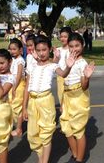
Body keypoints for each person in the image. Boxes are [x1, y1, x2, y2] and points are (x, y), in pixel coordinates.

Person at [22, 35, 75, 163]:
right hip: (32, 103)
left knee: (46, 133)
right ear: (34, 50)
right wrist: (24, 107)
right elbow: (27, 88)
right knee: (33, 135)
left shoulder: (52, 65)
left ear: (50, 49)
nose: (41, 53)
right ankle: (41, 158)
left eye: (44, 50)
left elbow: (63, 74)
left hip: (46, 101)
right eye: (38, 50)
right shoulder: (32, 66)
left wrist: (68, 67)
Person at [60, 33, 95, 163]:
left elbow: (84, 87)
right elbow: (65, 81)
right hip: (68, 97)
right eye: (71, 46)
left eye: (77, 46)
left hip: (79, 97)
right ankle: (75, 154)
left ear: (82, 46)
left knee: (78, 130)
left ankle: (79, 159)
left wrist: (87, 77)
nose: (74, 49)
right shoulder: (68, 60)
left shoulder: (82, 63)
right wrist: (63, 101)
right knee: (66, 128)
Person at [8, 38, 26, 137]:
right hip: (12, 84)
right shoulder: (13, 60)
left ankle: (19, 128)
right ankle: (13, 126)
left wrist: (14, 87)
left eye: (14, 49)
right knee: (11, 105)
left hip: (18, 85)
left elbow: (19, 75)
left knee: (18, 106)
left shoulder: (20, 60)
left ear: (20, 50)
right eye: (11, 49)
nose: (12, 51)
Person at [53, 27, 72, 109]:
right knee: (61, 99)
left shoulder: (72, 50)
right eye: (61, 37)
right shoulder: (58, 50)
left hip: (71, 77)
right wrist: (57, 57)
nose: (63, 39)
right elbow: (54, 64)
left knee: (70, 100)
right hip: (60, 77)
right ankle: (65, 117)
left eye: (65, 36)